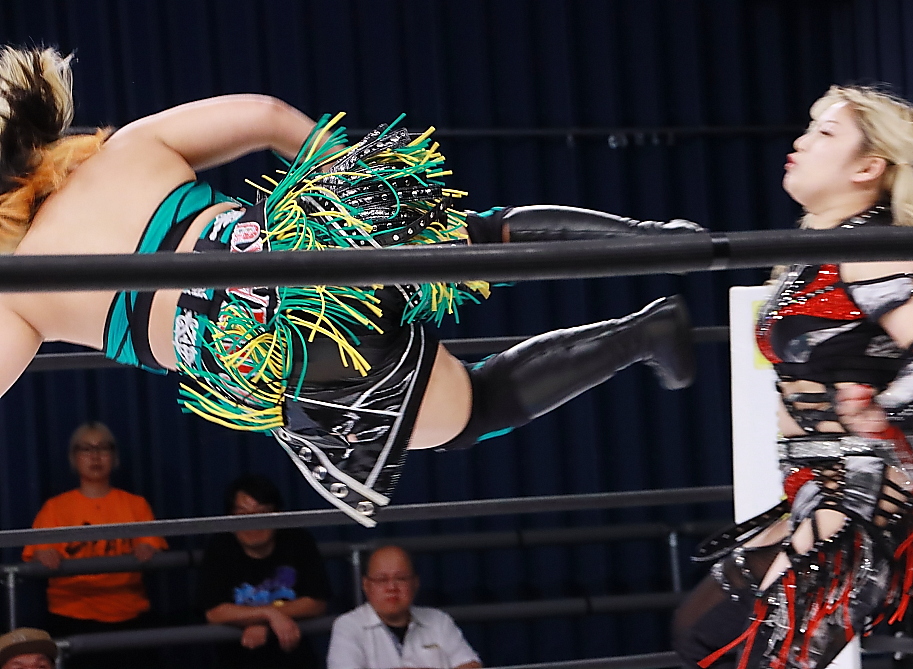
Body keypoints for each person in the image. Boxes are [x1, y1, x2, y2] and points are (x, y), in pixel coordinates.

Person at [0, 45, 700, 527]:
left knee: (472, 409)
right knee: (482, 235)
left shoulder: (20, 291)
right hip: (304, 249)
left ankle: (645, 334)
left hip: (286, 353)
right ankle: (657, 238)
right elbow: (266, 113)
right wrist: (355, 191)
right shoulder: (126, 149)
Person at [671, 85, 913, 669]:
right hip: (815, 487)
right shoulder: (821, 251)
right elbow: (871, 356)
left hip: (858, 496)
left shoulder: (875, 246)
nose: (801, 141)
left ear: (868, 168)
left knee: (764, 656)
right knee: (700, 633)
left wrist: (886, 412)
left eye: (825, 133)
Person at [21, 422, 167, 668]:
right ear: (74, 457)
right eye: (86, 449)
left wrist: (148, 550)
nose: (95, 456)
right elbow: (35, 553)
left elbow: (154, 547)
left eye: (103, 448)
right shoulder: (55, 508)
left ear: (114, 456)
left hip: (128, 616)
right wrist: (42, 556)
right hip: (71, 616)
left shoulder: (135, 505)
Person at [198, 474, 332, 669]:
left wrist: (263, 620)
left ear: (278, 514)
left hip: (295, 660)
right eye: (243, 515)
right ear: (229, 519)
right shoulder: (220, 547)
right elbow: (215, 612)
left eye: (262, 513)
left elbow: (316, 602)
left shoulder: (298, 540)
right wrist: (268, 615)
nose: (253, 524)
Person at [327, 545, 481, 669]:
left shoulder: (438, 620)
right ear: (366, 585)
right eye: (381, 580)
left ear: (415, 583)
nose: (392, 587)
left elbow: (471, 665)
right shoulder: (348, 626)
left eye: (401, 578)